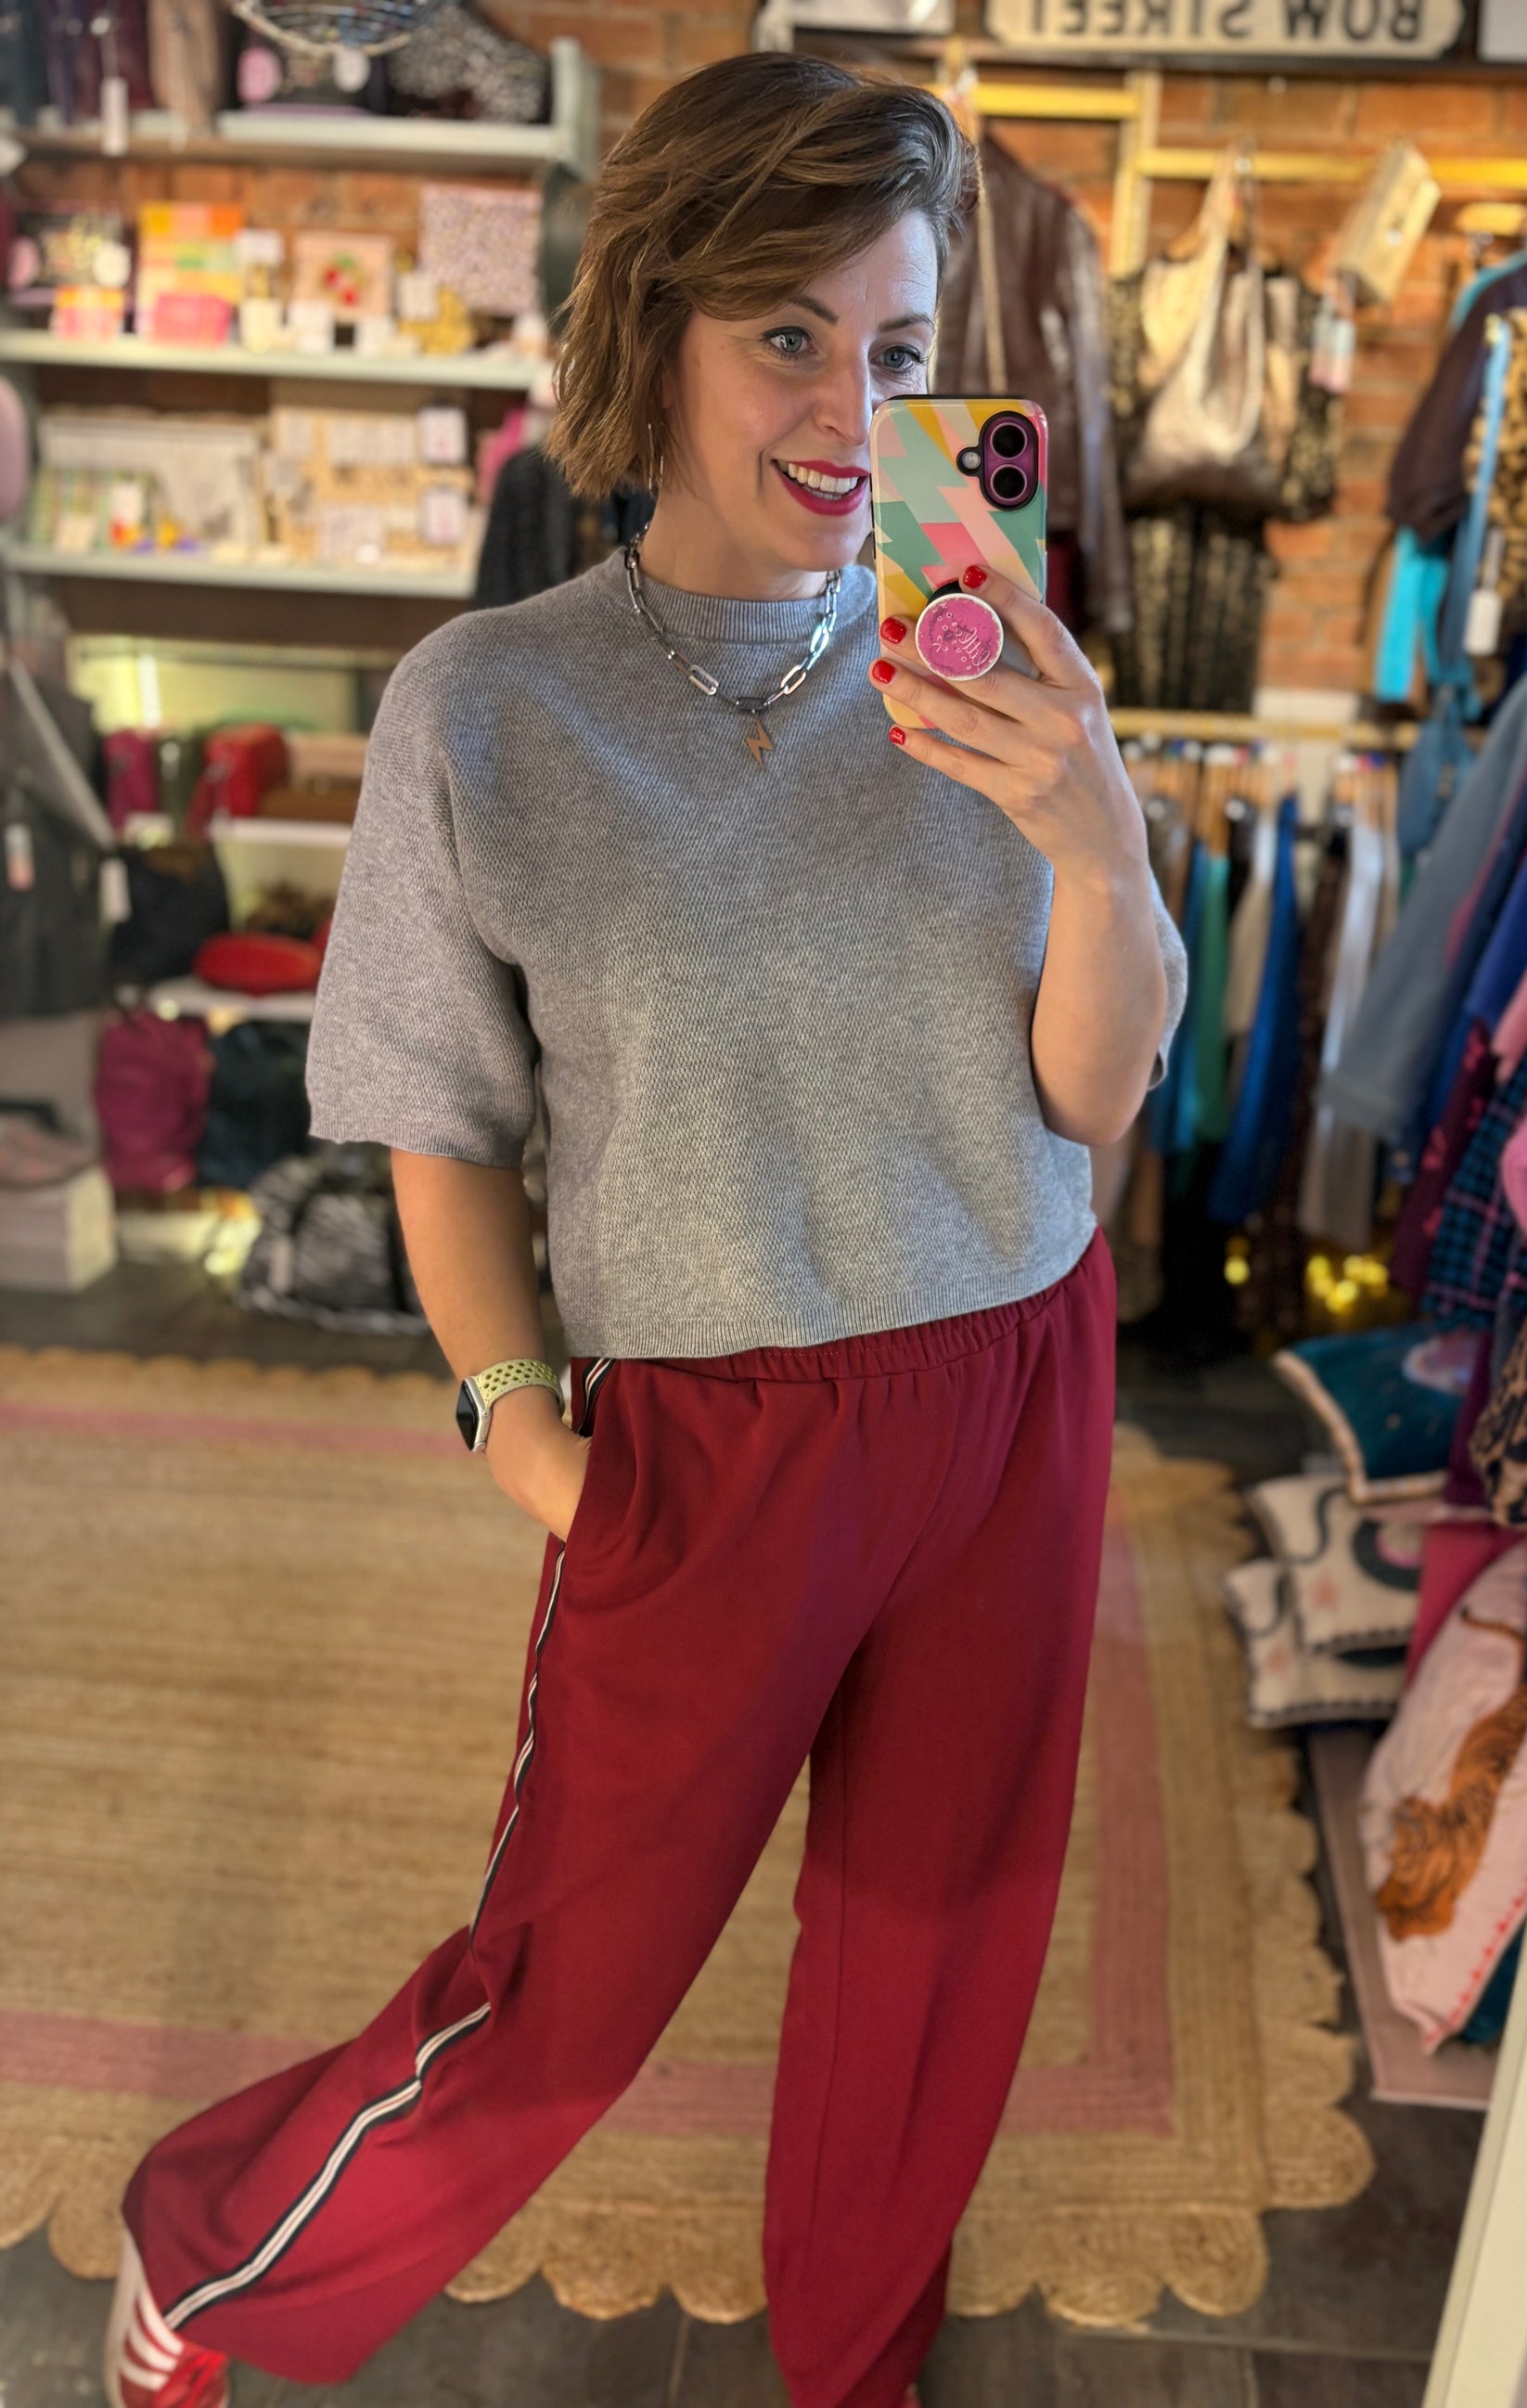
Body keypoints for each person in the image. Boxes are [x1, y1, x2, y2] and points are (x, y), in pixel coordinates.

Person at [105, 52, 1186, 2408]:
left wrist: (1098, 842)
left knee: (939, 1945)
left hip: (1010, 1369)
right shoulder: (487, 709)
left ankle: (854, 2370)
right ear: (659, 329)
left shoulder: (993, 665)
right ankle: (210, 2247)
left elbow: (1092, 1092)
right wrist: (520, 1428)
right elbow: (431, 1115)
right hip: (704, 1427)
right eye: (784, 334)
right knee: (565, 1979)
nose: (845, 407)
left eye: (894, 352)